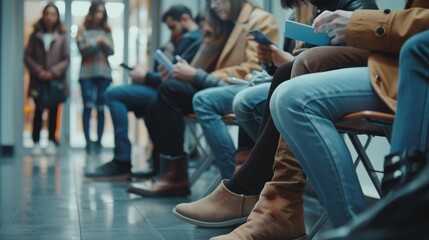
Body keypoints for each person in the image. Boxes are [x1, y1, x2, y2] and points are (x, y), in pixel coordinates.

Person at [173, 0, 377, 239]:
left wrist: (199, 75)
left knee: (259, 94)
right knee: (255, 94)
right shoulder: (306, 11)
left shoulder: (352, 7)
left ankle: (250, 189)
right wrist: (274, 62)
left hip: (362, 73)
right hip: (307, 72)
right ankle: (257, 191)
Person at [269, 0, 429, 230]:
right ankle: (270, 200)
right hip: (406, 61)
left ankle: (278, 202)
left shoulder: (354, 4)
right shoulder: (304, 10)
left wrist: (359, 23)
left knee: (292, 99)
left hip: (411, 64)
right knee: (274, 97)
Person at [127, 0, 278, 197]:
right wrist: (203, 48)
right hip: (219, 86)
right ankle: (170, 172)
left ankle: (225, 181)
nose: (213, 6)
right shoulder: (225, 25)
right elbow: (203, 66)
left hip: (235, 87)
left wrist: (198, 75)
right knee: (160, 97)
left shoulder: (259, 20)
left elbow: (254, 69)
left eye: (216, 0)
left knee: (170, 91)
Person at [84, 5, 202, 181]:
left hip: (168, 91)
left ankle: (123, 161)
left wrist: (145, 76)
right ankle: (151, 163)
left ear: (185, 19)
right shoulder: (182, 40)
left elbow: (177, 75)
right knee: (135, 103)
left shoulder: (192, 40)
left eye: (172, 27)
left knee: (113, 94)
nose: (171, 31)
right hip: (163, 88)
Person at [24, 3, 70, 156]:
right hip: (38, 79)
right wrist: (39, 71)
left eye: (53, 14)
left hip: (55, 80)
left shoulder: (62, 37)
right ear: (43, 16)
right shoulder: (35, 35)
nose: (49, 17)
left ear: (57, 17)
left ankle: (51, 141)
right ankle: (36, 142)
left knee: (54, 110)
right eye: (47, 14)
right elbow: (27, 56)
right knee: (38, 110)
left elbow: (66, 59)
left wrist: (53, 72)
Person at [76, 0, 114, 154]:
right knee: (87, 106)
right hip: (86, 73)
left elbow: (112, 51)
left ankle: (98, 142)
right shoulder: (82, 29)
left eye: (102, 12)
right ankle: (88, 143)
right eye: (97, 12)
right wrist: (96, 41)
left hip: (104, 72)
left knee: (101, 108)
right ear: (91, 13)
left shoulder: (107, 30)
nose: (99, 15)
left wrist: (104, 43)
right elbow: (82, 50)